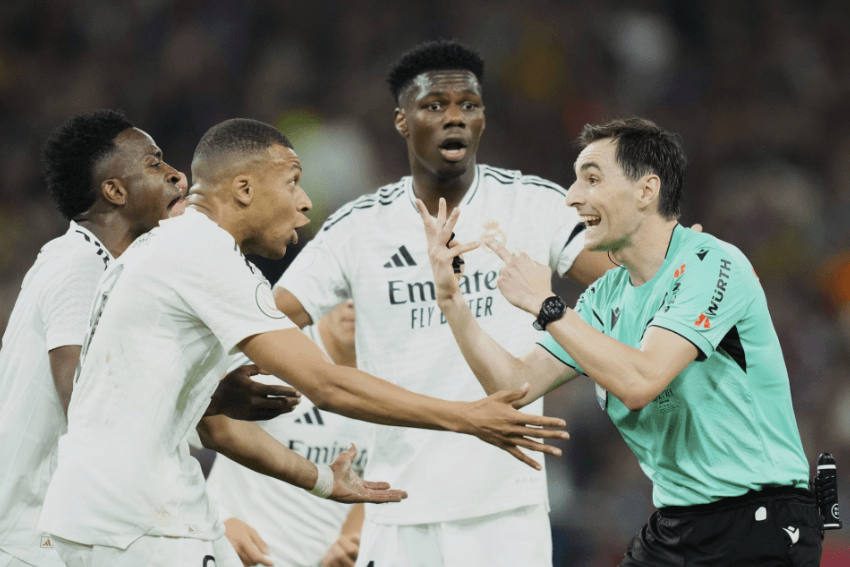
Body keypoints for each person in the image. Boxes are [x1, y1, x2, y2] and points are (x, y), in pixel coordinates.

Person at [37, 117, 568, 567]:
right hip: (135, 521)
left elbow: (216, 427)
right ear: (244, 189)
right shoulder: (202, 254)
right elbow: (326, 385)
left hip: (114, 511)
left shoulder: (174, 250)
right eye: (292, 182)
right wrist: (468, 417)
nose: (306, 203)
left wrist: (323, 481)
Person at [418, 117, 823, 565]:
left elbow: (640, 382)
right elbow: (512, 385)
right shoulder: (604, 296)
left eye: (591, 179)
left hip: (759, 521)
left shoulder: (711, 262)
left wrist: (546, 304)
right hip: (676, 524)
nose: (572, 197)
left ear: (646, 190)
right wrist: (451, 302)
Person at [273, 39, 613, 567]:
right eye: (434, 105)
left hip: (505, 510)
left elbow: (625, 287)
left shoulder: (532, 204)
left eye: (468, 105)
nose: (454, 117)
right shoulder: (358, 228)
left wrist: (674, 264)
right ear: (402, 121)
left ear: (482, 118)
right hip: (395, 506)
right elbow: (266, 322)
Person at [0, 110, 299, 567]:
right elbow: (86, 403)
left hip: (97, 528)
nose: (177, 175)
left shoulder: (129, 273)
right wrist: (213, 397)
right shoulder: (78, 263)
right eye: (155, 163)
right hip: (37, 536)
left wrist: (213, 519)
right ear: (115, 191)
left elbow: (172, 423)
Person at [207, 300, 370, 567]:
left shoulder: (388, 388)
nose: (352, 302)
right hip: (238, 559)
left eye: (360, 290)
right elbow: (165, 445)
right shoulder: (262, 362)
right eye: (343, 290)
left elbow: (381, 473)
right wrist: (217, 518)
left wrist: (353, 537)